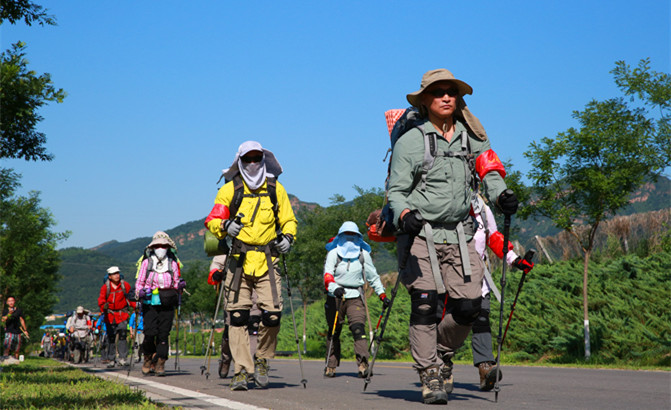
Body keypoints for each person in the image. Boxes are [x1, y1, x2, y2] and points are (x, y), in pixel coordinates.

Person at [386, 68, 518, 404]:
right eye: (438, 92)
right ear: (426, 100)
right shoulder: (410, 141)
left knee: (469, 307)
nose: (446, 97)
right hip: (420, 234)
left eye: (451, 92)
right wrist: (404, 214)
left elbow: (489, 171)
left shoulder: (473, 137)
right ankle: (429, 373)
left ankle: (441, 352)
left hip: (460, 234)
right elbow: (396, 191)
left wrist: (501, 194)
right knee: (425, 304)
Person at [205, 140, 298, 391]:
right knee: (237, 317)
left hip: (268, 260)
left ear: (264, 160)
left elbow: (289, 220)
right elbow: (213, 218)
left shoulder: (275, 189)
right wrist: (225, 226)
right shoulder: (229, 189)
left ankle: (263, 360)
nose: (253, 163)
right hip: (238, 261)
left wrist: (288, 238)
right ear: (240, 161)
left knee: (272, 315)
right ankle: (241, 371)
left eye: (257, 158)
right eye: (248, 159)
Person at [470, 195, 533, 391]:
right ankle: (443, 366)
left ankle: (485, 367)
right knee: (448, 321)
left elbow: (494, 237)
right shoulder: (442, 203)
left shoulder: (481, 208)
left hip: (479, 279)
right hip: (448, 278)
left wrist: (515, 260)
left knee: (482, 320)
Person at [322, 221, 389, 378]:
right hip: (335, 297)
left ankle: (363, 365)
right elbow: (327, 275)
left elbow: (373, 276)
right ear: (340, 236)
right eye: (347, 235)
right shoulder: (333, 254)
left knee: (358, 329)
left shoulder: (363, 255)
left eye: (353, 235)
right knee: (334, 331)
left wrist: (382, 295)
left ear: (358, 237)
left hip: (355, 297)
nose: (350, 238)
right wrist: (334, 288)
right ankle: (330, 365)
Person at [135, 231, 183, 376]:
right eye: (158, 245)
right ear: (153, 247)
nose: (161, 248)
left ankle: (161, 362)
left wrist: (180, 286)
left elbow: (176, 282)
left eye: (163, 245)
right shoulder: (146, 263)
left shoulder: (173, 263)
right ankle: (148, 358)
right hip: (150, 302)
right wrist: (140, 293)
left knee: (163, 334)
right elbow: (139, 282)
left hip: (167, 302)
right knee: (149, 332)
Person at [208, 255, 261, 379]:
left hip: (255, 289)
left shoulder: (260, 239)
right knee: (231, 328)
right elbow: (218, 261)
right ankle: (226, 359)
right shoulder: (234, 238)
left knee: (254, 325)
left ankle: (249, 365)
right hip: (234, 288)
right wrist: (216, 272)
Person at [98, 266, 136, 368]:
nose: (117, 275)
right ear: (109, 276)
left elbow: (131, 298)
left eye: (118, 273)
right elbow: (101, 300)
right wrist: (103, 307)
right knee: (111, 337)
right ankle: (111, 359)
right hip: (110, 315)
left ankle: (123, 358)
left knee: (123, 334)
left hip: (122, 314)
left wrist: (135, 307)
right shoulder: (105, 287)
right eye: (114, 274)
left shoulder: (125, 285)